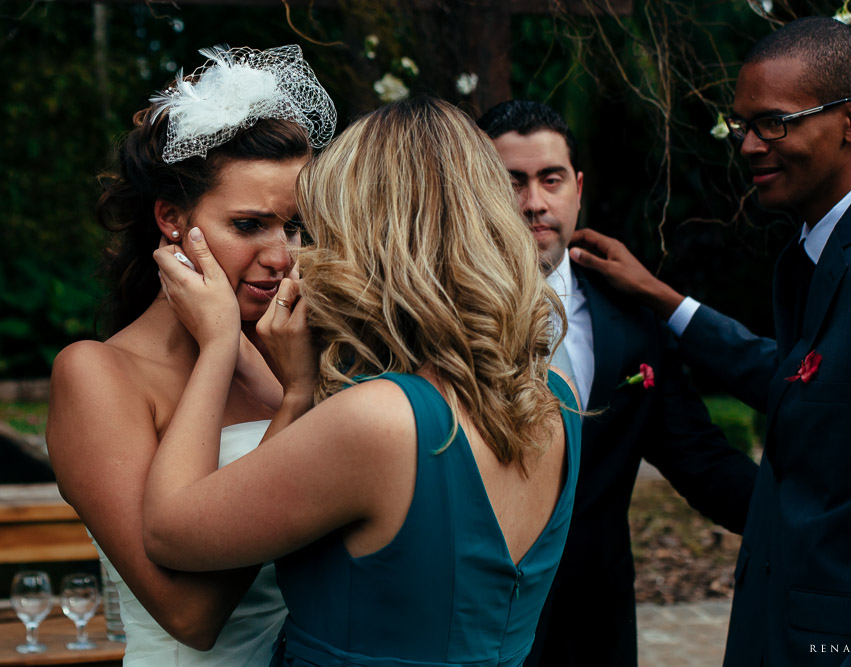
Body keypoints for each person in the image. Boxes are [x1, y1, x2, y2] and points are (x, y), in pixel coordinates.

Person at [570, 17, 851, 666]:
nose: (746, 145)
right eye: (742, 124)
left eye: (773, 122)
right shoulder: (812, 251)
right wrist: (663, 299)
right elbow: (807, 381)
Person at [139, 97, 582, 667]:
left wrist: (220, 343)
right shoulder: (557, 400)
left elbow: (169, 532)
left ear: (366, 231)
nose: (300, 252)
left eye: (311, 224)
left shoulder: (380, 419)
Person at [46, 44, 337, 665]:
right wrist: (234, 360)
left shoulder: (286, 348)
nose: (284, 254)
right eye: (250, 224)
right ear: (173, 219)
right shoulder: (96, 375)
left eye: (294, 226)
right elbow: (190, 617)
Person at [476, 100, 759, 666]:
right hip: (475, 621)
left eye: (550, 179)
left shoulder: (631, 320)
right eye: (513, 182)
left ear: (577, 187)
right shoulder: (437, 314)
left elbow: (700, 462)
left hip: (593, 625)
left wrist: (814, 512)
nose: (534, 203)